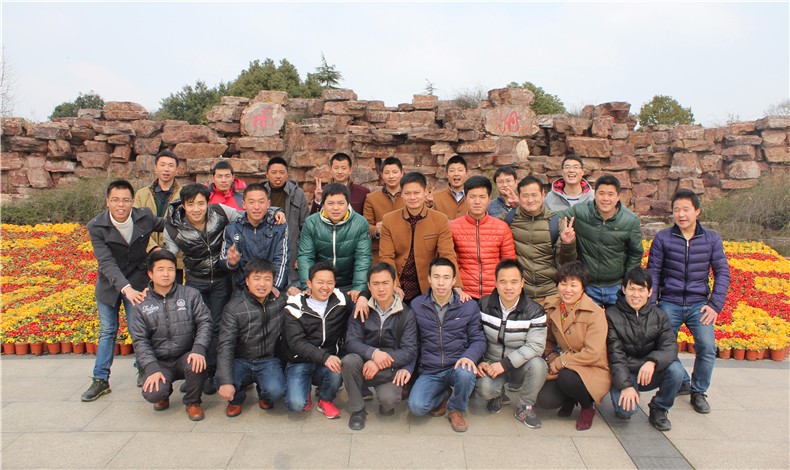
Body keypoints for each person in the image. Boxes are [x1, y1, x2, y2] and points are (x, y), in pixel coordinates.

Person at [81, 180, 165, 402]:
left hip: (137, 281)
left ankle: (143, 367)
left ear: (132, 201)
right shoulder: (97, 226)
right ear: (107, 202)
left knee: (139, 329)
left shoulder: (143, 217)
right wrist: (126, 289)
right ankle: (100, 379)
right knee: (108, 331)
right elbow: (106, 262)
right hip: (109, 286)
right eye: (116, 200)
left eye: (126, 200)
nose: (121, 205)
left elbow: (166, 224)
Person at [647, 189, 730, 414]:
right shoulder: (663, 238)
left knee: (707, 347)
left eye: (686, 210)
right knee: (664, 346)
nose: (681, 215)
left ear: (697, 212)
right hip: (669, 301)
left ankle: (698, 391)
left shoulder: (711, 238)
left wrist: (714, 305)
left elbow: (722, 272)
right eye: (677, 210)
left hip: (698, 303)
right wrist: (652, 305)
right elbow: (653, 272)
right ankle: (682, 380)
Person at [164, 183, 244, 396]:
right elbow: (168, 257)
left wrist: (274, 212)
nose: (196, 209)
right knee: (197, 325)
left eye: (201, 203)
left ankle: (214, 372)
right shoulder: (173, 226)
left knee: (218, 324)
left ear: (208, 202)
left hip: (221, 279)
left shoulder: (220, 212)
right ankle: (197, 372)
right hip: (195, 280)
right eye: (191, 204)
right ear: (183, 205)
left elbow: (247, 215)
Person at [128, 250, 212, 421]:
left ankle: (193, 402)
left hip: (185, 356)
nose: (166, 274)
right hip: (160, 361)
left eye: (170, 269)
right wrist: (151, 368)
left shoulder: (190, 295)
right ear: (150, 273)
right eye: (160, 269)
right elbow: (140, 340)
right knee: (153, 393)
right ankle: (164, 393)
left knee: (198, 362)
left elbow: (205, 322)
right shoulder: (141, 303)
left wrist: (198, 349)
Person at [408, 258, 486, 433]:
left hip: (457, 365)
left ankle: (456, 409)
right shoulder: (417, 305)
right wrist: (408, 369)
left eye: (446, 277)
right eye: (436, 277)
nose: (441, 282)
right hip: (430, 369)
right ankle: (443, 394)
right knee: (416, 407)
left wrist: (469, 357)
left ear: (453, 280)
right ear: (429, 279)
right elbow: (412, 342)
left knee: (466, 373)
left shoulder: (468, 306)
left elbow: (478, 339)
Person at [283, 262, 368, 418]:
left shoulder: (340, 299)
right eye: (320, 282)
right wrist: (324, 357)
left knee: (337, 369)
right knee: (296, 405)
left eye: (330, 282)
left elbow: (366, 291)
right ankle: (305, 387)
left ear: (335, 284)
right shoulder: (294, 306)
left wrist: (362, 298)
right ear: (309, 283)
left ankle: (325, 399)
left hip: (328, 359)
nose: (325, 287)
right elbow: (296, 343)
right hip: (300, 361)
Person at [606, 267, 685, 431]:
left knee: (676, 370)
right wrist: (626, 386)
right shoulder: (611, 315)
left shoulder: (659, 315)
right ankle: (627, 392)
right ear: (623, 289)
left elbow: (670, 347)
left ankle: (659, 408)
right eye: (632, 289)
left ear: (650, 292)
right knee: (625, 412)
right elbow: (615, 355)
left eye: (641, 290)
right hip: (626, 371)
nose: (636, 295)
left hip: (649, 372)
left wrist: (652, 361)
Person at [342, 263, 418, 430]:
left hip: (389, 367)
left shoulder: (406, 313)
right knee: (349, 361)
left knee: (389, 401)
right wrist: (373, 354)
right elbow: (351, 342)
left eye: (385, 283)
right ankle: (357, 410)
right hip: (363, 364)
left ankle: (383, 401)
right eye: (376, 284)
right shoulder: (361, 308)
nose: (381, 289)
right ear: (369, 286)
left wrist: (378, 361)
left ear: (394, 284)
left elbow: (409, 350)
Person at [537, 261, 610, 431]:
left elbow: (592, 353)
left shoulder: (595, 313)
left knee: (567, 377)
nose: (567, 289)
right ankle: (570, 397)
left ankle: (587, 407)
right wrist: (552, 358)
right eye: (563, 284)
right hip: (566, 365)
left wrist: (561, 362)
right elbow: (547, 341)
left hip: (592, 367)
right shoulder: (553, 307)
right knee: (545, 400)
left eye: (573, 285)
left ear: (583, 287)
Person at [475, 259, 548, 429]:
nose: (509, 287)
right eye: (503, 282)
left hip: (519, 365)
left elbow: (536, 346)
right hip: (492, 363)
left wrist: (505, 364)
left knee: (538, 364)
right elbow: (474, 337)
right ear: (495, 283)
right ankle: (497, 395)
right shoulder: (483, 305)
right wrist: (480, 361)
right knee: (484, 389)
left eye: (514, 282)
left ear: (522, 283)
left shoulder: (534, 311)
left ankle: (525, 407)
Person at [558, 174, 643, 308]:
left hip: (615, 285)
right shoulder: (580, 212)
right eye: (601, 193)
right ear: (595, 194)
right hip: (588, 285)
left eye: (610, 194)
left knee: (617, 321)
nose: (605, 199)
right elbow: (554, 219)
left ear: (618, 196)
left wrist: (627, 281)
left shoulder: (630, 220)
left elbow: (635, 253)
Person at [217, 258, 287, 417]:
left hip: (268, 359)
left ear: (273, 281)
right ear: (247, 281)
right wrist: (225, 381)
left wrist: (298, 290)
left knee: (276, 391)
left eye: (267, 279)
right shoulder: (234, 308)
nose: (262, 284)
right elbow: (225, 345)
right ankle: (236, 399)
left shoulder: (279, 301)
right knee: (223, 380)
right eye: (257, 278)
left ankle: (264, 394)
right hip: (241, 360)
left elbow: (302, 299)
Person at [379, 172, 462, 303]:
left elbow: (447, 254)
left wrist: (456, 285)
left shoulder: (440, 219)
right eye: (407, 193)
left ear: (425, 192)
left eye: (416, 193)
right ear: (401, 194)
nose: (412, 197)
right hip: (399, 283)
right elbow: (386, 257)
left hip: (428, 285)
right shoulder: (389, 220)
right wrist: (394, 284)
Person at [505, 175, 577, 308]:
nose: (530, 200)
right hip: (519, 293)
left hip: (550, 292)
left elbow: (567, 262)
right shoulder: (508, 220)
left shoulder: (555, 222)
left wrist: (567, 243)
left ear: (543, 195)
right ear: (519, 197)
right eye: (525, 196)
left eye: (534, 195)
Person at [298, 182, 372, 298]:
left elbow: (363, 258)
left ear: (348, 203)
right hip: (320, 284)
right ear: (323, 204)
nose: (336, 208)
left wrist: (359, 288)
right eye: (330, 203)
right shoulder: (312, 222)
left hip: (349, 284)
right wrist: (308, 286)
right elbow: (306, 256)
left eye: (341, 203)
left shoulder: (360, 223)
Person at [450, 175, 516, 300]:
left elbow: (509, 264)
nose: (477, 201)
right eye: (472, 197)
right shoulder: (453, 227)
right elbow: (451, 262)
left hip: (495, 294)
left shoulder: (502, 228)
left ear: (489, 199)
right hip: (463, 295)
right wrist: (457, 288)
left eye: (482, 197)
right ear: (465, 199)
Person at [221, 183, 289, 293]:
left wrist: (274, 287)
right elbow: (224, 259)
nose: (256, 207)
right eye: (251, 202)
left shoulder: (279, 226)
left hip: (270, 287)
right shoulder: (232, 228)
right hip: (241, 289)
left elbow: (282, 260)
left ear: (268, 204)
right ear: (243, 204)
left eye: (261, 202)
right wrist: (231, 262)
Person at [133, 150, 184, 283]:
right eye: (162, 165)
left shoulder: (184, 195)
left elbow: (185, 225)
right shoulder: (142, 194)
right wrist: (153, 248)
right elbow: (136, 224)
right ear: (155, 167)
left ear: (177, 170)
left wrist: (168, 250)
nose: (166, 169)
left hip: (175, 258)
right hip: (147, 257)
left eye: (170, 165)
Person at [263, 157, 310, 294]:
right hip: (267, 251)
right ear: (267, 175)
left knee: (292, 292)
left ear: (287, 174)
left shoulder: (298, 194)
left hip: (292, 251)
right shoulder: (261, 193)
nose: (278, 176)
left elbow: (305, 228)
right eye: (274, 172)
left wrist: (301, 255)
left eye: (282, 172)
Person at [363, 156, 405, 263]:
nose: (391, 176)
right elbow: (365, 226)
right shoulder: (371, 198)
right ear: (382, 175)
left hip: (405, 251)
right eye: (387, 173)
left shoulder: (409, 196)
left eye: (395, 172)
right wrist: (376, 230)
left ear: (402, 173)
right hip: (380, 252)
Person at [431, 155, 468, 220]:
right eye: (452, 170)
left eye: (460, 170)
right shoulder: (435, 197)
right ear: (447, 174)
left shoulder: (474, 197)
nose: (456, 174)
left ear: (466, 173)